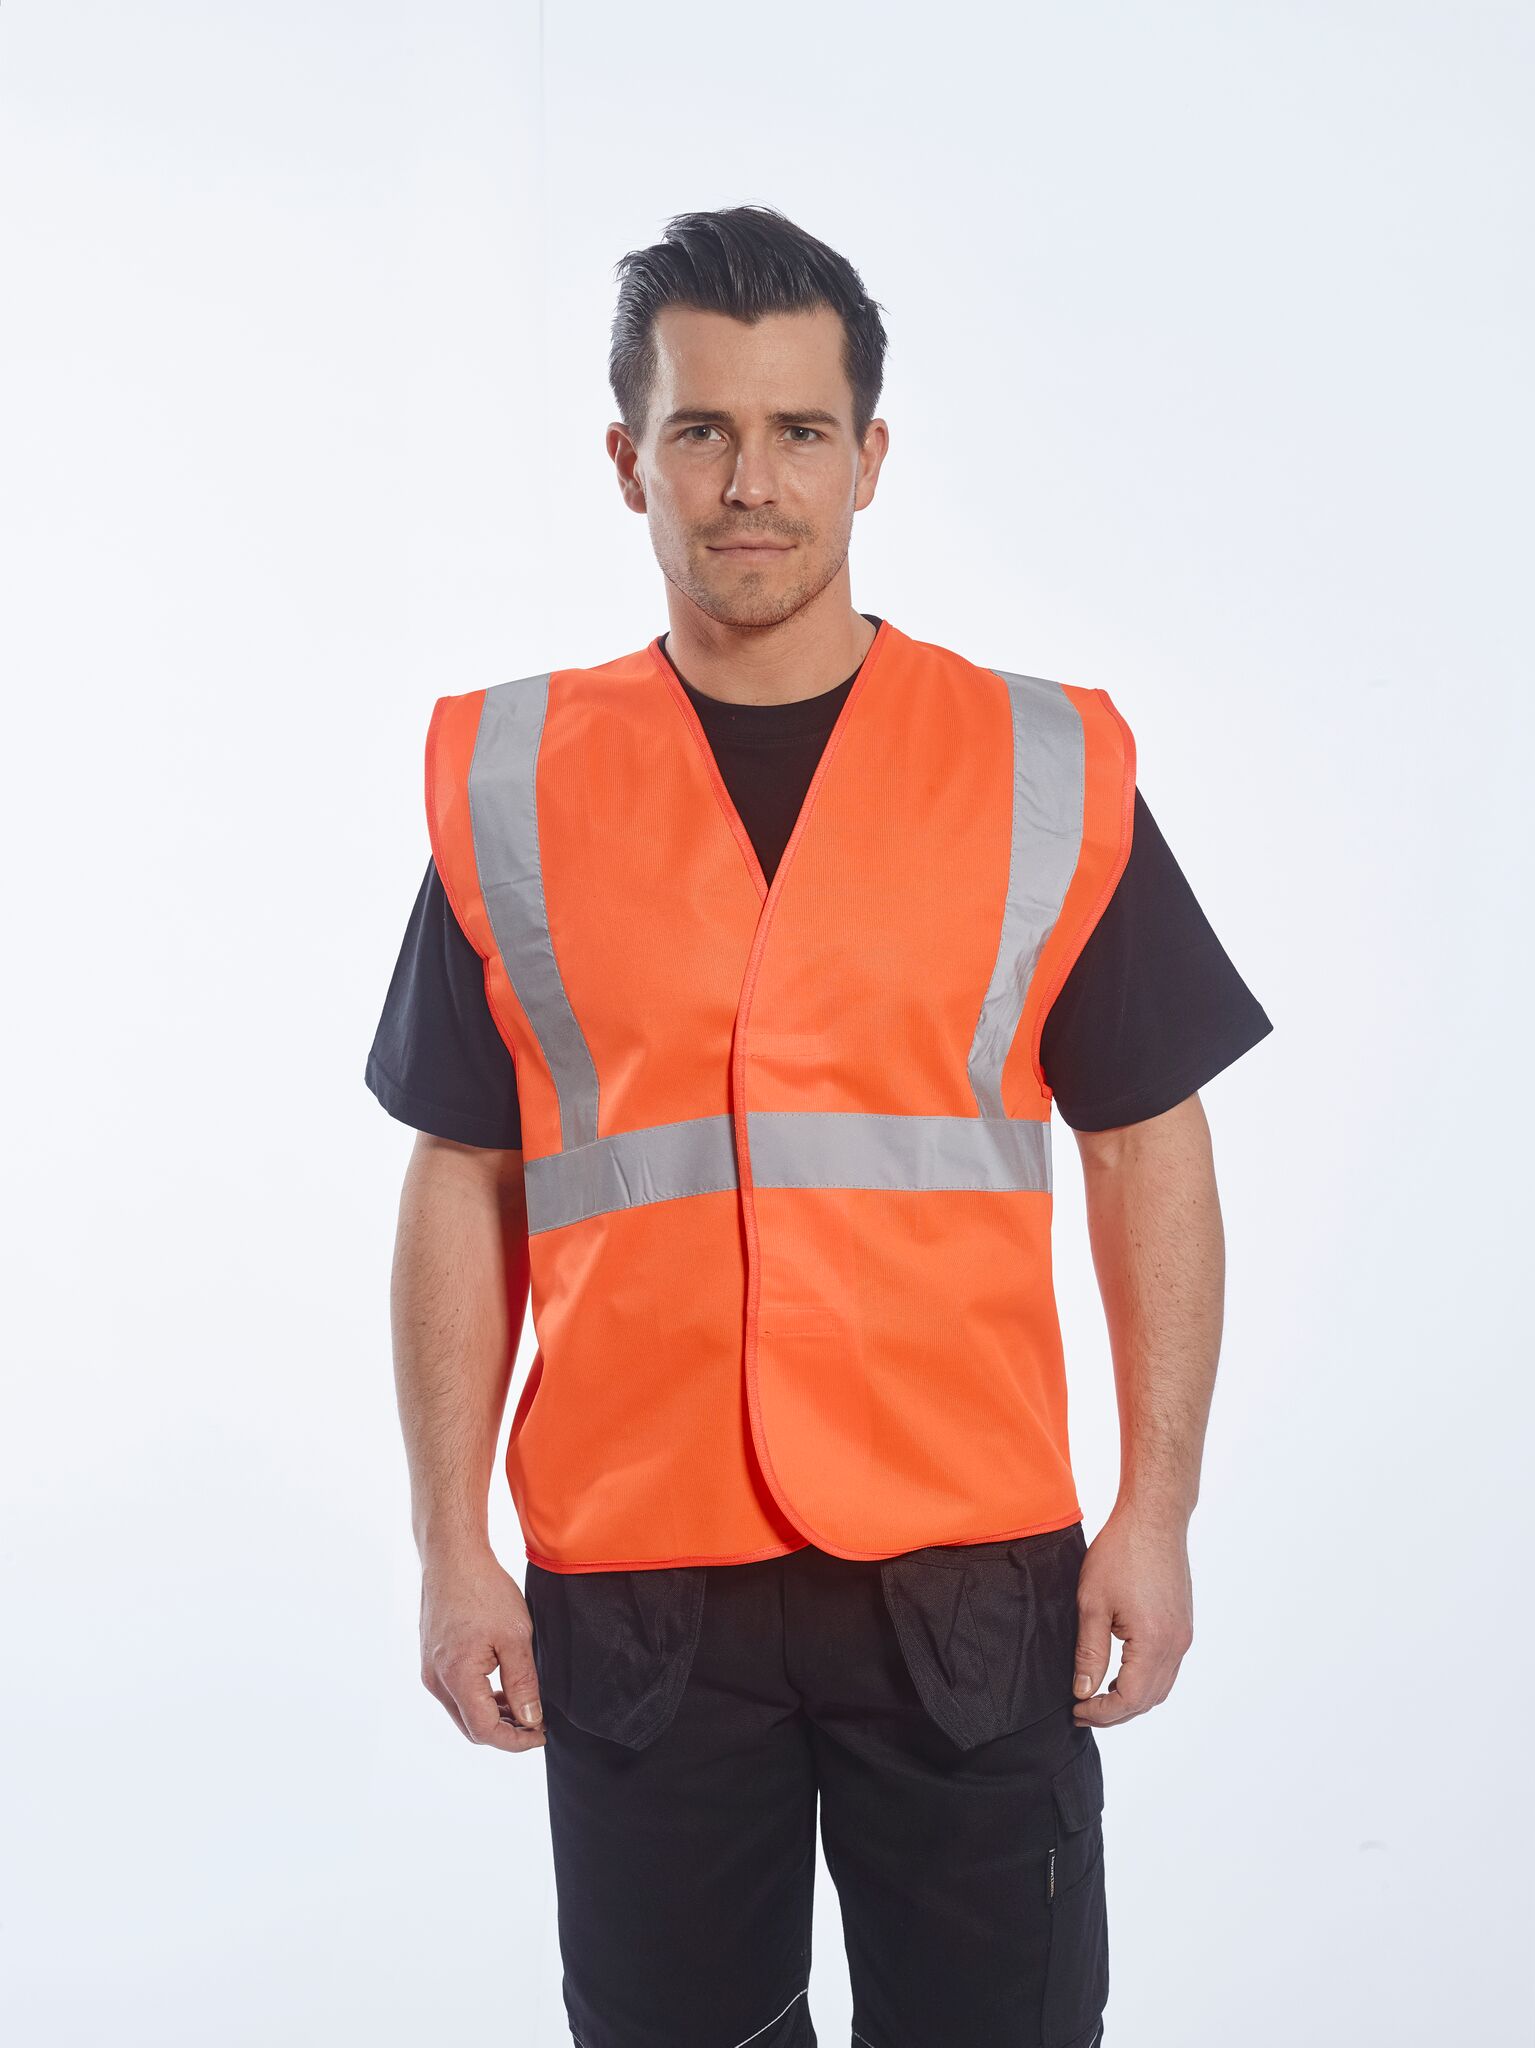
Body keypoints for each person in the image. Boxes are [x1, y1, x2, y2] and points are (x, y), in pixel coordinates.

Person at [365, 204, 1272, 2048]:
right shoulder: (513, 781)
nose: (749, 483)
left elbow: (1147, 1142)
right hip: (637, 1573)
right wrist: (452, 1548)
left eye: (798, 431)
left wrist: (1158, 1508)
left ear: (871, 457)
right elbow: (463, 1171)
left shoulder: (1041, 765)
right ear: (628, 460)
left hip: (967, 1560)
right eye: (701, 429)